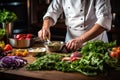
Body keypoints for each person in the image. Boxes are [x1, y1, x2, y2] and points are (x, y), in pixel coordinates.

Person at [38, 0, 112, 51]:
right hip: (70, 44)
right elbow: (52, 12)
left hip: (95, 43)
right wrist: (45, 27)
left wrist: (80, 40)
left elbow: (104, 20)